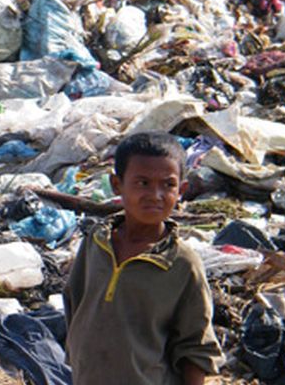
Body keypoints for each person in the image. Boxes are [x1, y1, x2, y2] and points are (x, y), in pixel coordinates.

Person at [63, 132, 224, 384]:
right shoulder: (97, 243)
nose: (155, 195)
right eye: (142, 183)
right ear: (117, 185)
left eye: (168, 185)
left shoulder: (181, 263)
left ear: (181, 190)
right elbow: (75, 302)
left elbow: (195, 347)